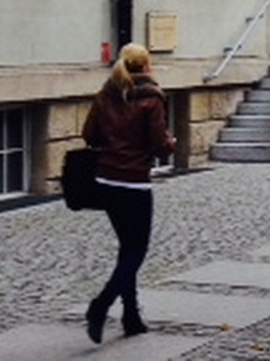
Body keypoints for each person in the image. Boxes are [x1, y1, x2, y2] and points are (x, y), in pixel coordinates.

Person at [81, 43, 175, 343]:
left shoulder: (106, 94)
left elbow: (89, 135)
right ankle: (101, 305)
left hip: (106, 180)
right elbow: (160, 146)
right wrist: (171, 142)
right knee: (136, 252)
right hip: (134, 182)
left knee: (126, 249)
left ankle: (131, 316)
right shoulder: (151, 98)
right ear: (147, 66)